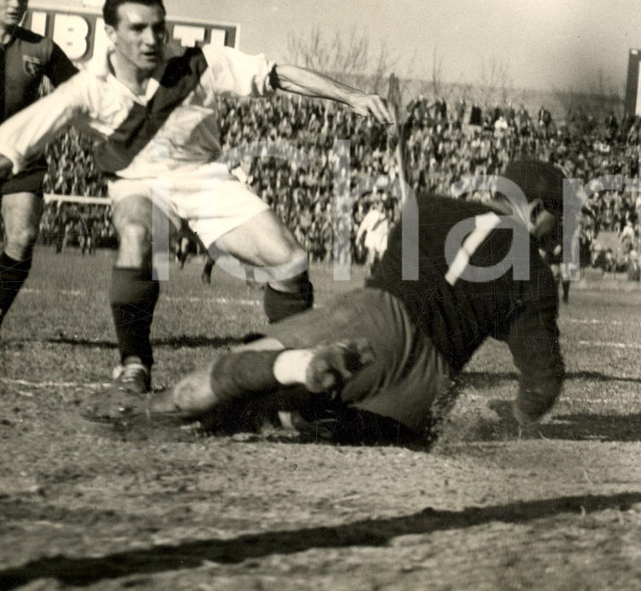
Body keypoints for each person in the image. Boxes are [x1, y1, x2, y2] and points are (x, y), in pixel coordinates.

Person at [0, 0, 393, 392]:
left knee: (289, 261)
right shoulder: (88, 87)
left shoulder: (199, 62)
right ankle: (134, 364)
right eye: (137, 29)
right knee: (138, 236)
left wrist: (352, 97)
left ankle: (291, 366)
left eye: (158, 28)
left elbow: (278, 75)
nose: (151, 39)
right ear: (111, 33)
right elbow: (9, 143)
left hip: (203, 177)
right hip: (137, 182)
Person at [82, 158, 568, 446]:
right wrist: (519, 421)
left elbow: (427, 279)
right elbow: (543, 377)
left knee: (240, 371)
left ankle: (163, 408)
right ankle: (308, 412)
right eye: (557, 219)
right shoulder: (537, 274)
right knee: (374, 426)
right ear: (538, 209)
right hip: (428, 381)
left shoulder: (428, 207)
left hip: (375, 319)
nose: (556, 232)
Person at [0, 0, 80, 350]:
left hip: (23, 158)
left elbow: (80, 90)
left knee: (23, 236)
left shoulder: (43, 47)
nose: (16, 3)